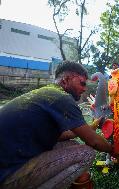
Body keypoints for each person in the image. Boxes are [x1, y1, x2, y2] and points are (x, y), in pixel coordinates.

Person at [0, 61, 112, 189]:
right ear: (66, 80)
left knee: (72, 145)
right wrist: (114, 152)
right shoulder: (62, 98)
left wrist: (90, 127)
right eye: (82, 83)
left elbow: (58, 136)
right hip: (7, 175)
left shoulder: (47, 93)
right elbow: (93, 142)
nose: (84, 88)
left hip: (11, 162)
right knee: (86, 153)